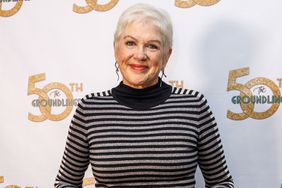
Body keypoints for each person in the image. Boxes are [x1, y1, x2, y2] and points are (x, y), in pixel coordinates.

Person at [55, 3, 234, 188]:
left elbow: (221, 182)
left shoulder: (194, 106)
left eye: (152, 46)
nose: (140, 55)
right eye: (130, 43)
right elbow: (65, 182)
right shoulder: (90, 109)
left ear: (167, 55)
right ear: (116, 49)